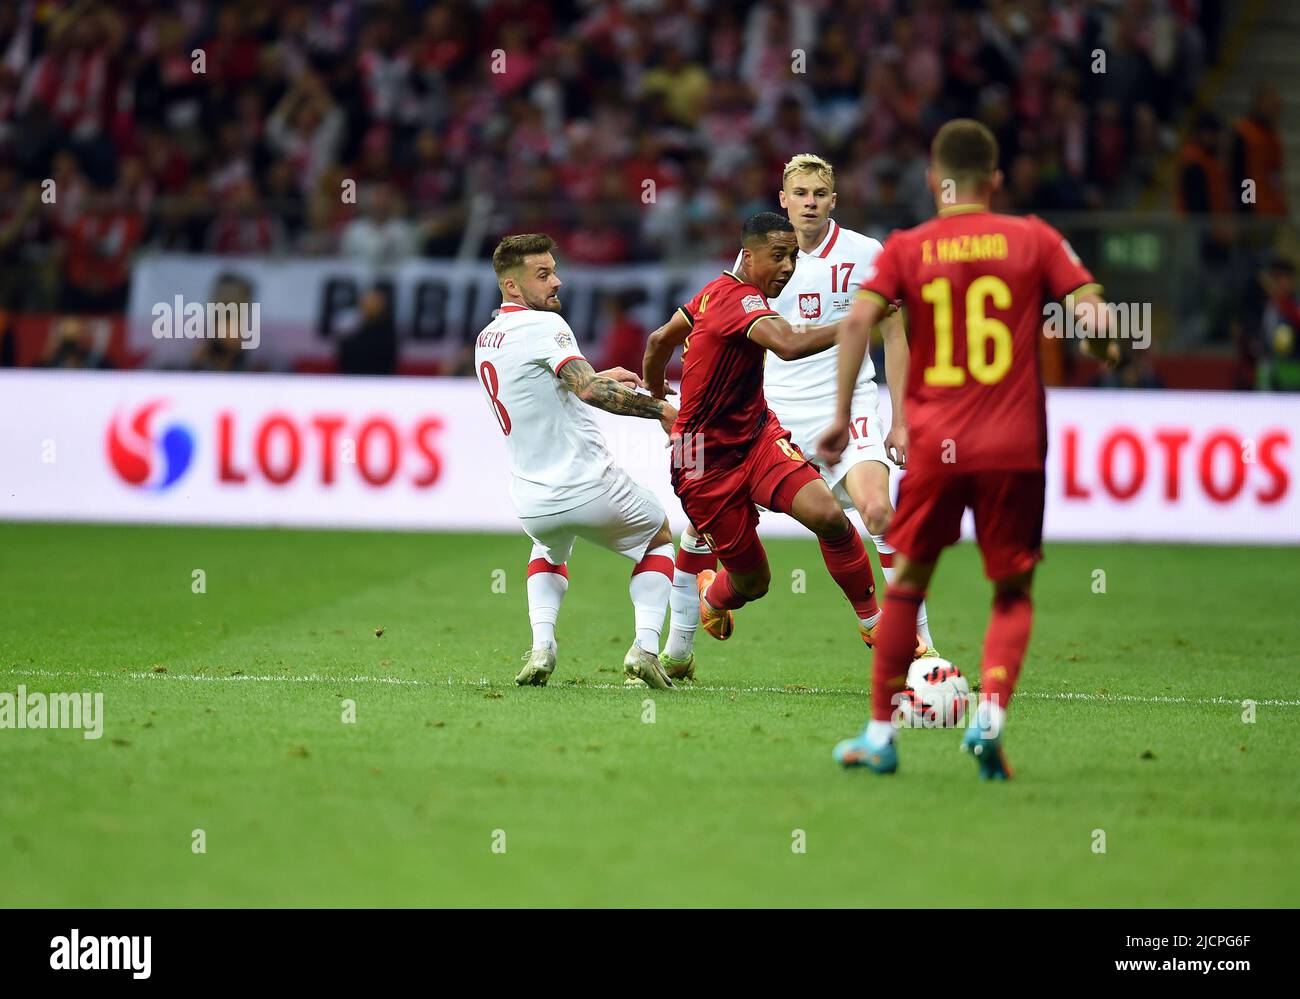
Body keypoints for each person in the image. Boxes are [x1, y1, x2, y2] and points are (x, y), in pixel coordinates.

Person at [818, 119, 1115, 779]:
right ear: (998, 180)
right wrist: (1103, 339)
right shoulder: (1035, 236)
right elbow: (1091, 311)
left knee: (908, 585)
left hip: (936, 444)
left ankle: (878, 735)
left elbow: (862, 319)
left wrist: (841, 416)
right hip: (1013, 445)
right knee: (1012, 590)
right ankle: (989, 720)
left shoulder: (907, 247)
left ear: (934, 180)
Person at [662, 154, 935, 680]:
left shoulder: (865, 254)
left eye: (819, 194)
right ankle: (677, 649)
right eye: (800, 193)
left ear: (834, 200)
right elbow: (695, 328)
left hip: (847, 404)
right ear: (783, 200)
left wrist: (900, 419)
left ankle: (914, 639)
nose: (810, 203)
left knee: (878, 512)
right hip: (771, 413)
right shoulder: (761, 258)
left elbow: (896, 333)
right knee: (699, 525)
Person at [642, 212, 887, 680]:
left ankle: (876, 623)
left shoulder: (711, 291)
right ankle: (714, 598)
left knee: (829, 516)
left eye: (794, 255)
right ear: (748, 255)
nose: (789, 267)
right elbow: (789, 345)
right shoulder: (740, 301)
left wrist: (658, 393)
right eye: (778, 256)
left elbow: (658, 341)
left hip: (755, 438)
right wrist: (857, 320)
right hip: (702, 465)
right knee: (755, 582)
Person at [475, 233, 679, 689]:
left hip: (531, 500)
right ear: (512, 286)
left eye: (554, 271)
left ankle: (543, 646)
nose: (557, 282)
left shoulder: (487, 338)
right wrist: (664, 410)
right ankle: (645, 648)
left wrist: (596, 375)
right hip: (588, 486)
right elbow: (587, 390)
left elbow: (544, 385)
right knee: (659, 537)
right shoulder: (545, 327)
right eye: (543, 275)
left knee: (547, 549)